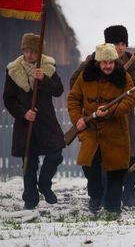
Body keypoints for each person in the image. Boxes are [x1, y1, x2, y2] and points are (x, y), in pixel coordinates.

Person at [68, 43, 135, 214]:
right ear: (98, 62)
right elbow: (73, 99)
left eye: (111, 62)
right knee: (89, 167)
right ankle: (95, 197)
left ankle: (113, 207)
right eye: (104, 62)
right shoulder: (85, 77)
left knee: (116, 171)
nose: (108, 66)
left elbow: (129, 101)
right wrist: (78, 120)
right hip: (91, 132)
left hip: (116, 132)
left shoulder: (124, 77)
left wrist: (108, 110)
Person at [3, 33, 65, 209]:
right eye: (26, 50)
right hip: (26, 123)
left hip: (46, 122)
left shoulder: (48, 66)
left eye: (33, 51)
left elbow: (58, 90)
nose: (29, 55)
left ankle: (44, 184)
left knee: (56, 154)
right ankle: (30, 200)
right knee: (29, 163)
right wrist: (23, 113)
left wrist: (43, 79)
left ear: (39, 52)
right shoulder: (13, 70)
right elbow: (8, 99)